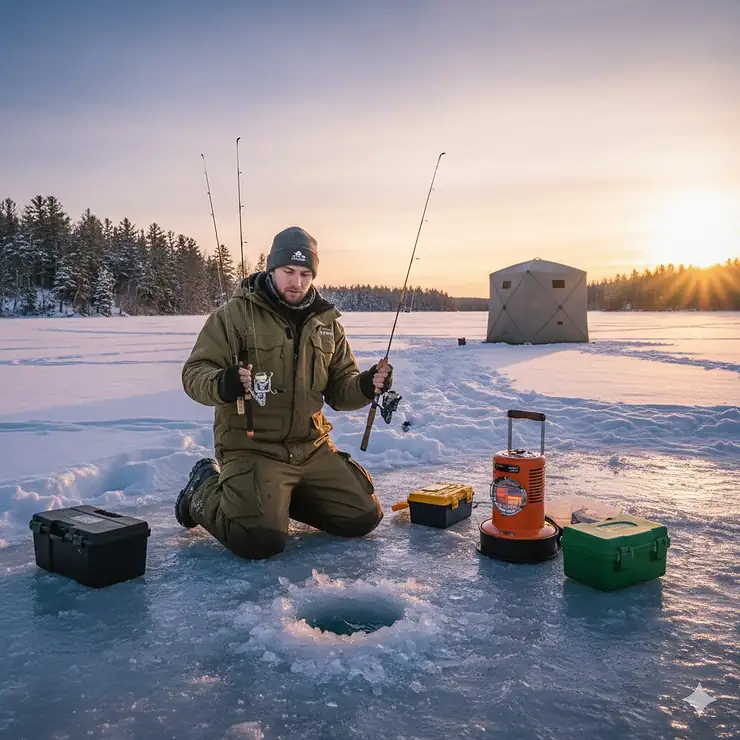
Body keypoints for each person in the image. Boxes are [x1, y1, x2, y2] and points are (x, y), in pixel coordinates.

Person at [176, 226, 392, 560]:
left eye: (305, 274)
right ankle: (201, 489)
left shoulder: (327, 323)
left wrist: (365, 385)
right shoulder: (233, 316)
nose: (297, 282)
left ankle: (280, 499)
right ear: (271, 269)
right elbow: (193, 374)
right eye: (288, 272)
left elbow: (340, 389)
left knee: (363, 516)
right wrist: (224, 382)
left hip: (311, 448)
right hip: (253, 447)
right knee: (257, 540)